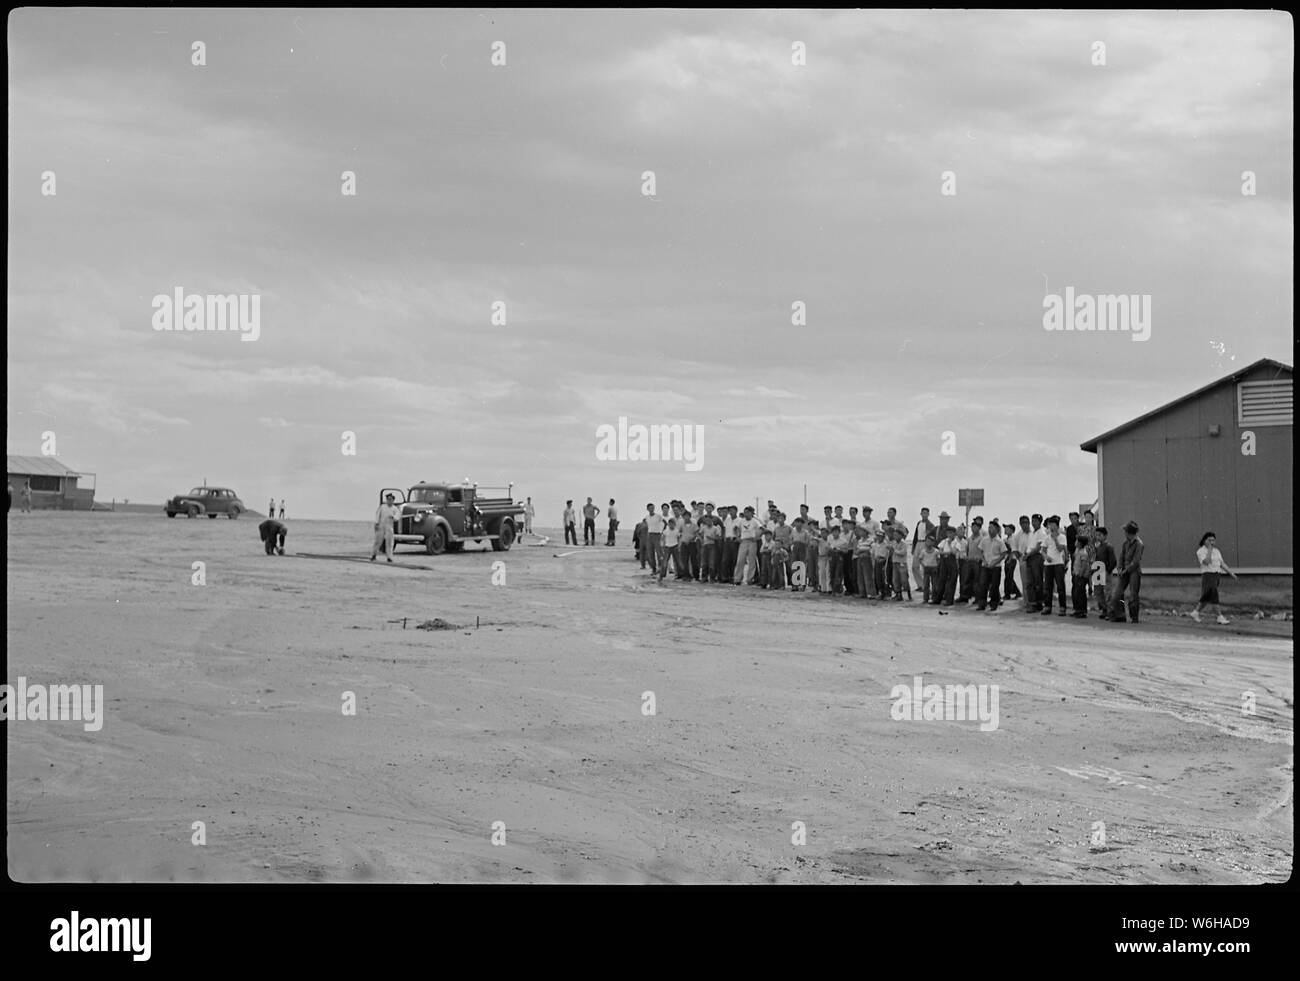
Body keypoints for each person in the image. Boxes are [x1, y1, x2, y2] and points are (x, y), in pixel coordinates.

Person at [1190, 532, 1236, 624]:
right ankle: (1219, 616)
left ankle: (1196, 612)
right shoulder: (1200, 551)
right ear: (1204, 540)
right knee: (1214, 595)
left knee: (1207, 596)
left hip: (1216, 575)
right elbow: (1207, 562)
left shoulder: (1217, 551)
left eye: (1213, 540)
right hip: (1208, 575)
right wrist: (1210, 549)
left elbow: (1222, 564)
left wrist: (1231, 573)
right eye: (1209, 540)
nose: (1212, 542)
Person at [1110, 521, 1145, 623]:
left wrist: (1126, 570)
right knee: (1118, 593)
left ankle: (1134, 617)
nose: (1124, 533)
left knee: (1133, 595)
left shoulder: (1139, 544)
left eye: (1125, 531)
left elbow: (1136, 561)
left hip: (1134, 571)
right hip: (1124, 571)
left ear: (1129, 532)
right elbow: (1121, 556)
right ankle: (1120, 615)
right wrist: (1119, 568)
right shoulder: (1125, 543)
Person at [974, 520, 1006, 611]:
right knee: (983, 585)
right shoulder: (984, 540)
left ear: (996, 529)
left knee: (994, 586)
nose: (989, 530)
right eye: (989, 528)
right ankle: (982, 604)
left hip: (996, 567)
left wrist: (995, 562)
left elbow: (1003, 554)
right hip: (985, 566)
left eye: (991, 528)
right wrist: (984, 560)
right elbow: (980, 551)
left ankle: (993, 604)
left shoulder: (1000, 541)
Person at [1040, 516, 1068, 616]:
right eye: (1049, 525)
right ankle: (1047, 606)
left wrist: (1055, 539)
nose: (1051, 527)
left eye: (1053, 525)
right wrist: (1046, 556)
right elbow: (1042, 550)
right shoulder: (1046, 538)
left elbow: (1061, 549)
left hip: (1058, 564)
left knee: (1060, 586)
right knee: (1048, 586)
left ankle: (1062, 607)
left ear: (1057, 526)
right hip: (1048, 564)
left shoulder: (1062, 537)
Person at [1092, 526, 1118, 618]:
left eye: (1100, 535)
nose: (1098, 537)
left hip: (1105, 571)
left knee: (1107, 592)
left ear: (1105, 536)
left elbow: (1113, 561)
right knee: (1098, 592)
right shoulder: (1098, 547)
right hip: (1097, 571)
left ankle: (1110, 611)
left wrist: (1108, 570)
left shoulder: (1109, 547)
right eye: (1097, 535)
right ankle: (1103, 609)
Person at [733, 506, 762, 585]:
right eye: (745, 512)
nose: (746, 514)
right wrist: (737, 537)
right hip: (743, 541)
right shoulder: (741, 521)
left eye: (748, 512)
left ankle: (750, 579)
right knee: (740, 560)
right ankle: (737, 579)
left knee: (752, 561)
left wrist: (757, 537)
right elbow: (735, 528)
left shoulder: (755, 521)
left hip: (752, 542)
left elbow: (761, 528)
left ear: (751, 513)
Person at [1070, 530, 1094, 617]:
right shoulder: (1078, 551)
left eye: (1077, 541)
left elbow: (1084, 565)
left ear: (1080, 544)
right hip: (1076, 574)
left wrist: (1080, 573)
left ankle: (1082, 611)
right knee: (1076, 593)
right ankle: (1077, 609)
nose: (1075, 542)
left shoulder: (1083, 553)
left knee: (1080, 593)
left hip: (1081, 576)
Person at [371, 493, 401, 562]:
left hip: (389, 527)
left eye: (390, 499)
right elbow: (377, 515)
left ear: (393, 500)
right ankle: (373, 555)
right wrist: (376, 524)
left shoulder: (395, 509)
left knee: (389, 543)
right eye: (388, 499)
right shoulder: (382, 507)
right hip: (381, 526)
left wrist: (393, 517)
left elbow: (397, 516)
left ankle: (389, 557)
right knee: (378, 541)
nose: (389, 501)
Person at [918, 535, 940, 604]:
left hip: (934, 568)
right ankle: (925, 599)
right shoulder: (923, 551)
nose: (928, 543)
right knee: (926, 584)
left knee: (935, 584)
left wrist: (937, 566)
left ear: (933, 543)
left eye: (930, 541)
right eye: (927, 541)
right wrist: (923, 565)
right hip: (926, 568)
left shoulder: (936, 551)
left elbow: (938, 559)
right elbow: (920, 559)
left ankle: (934, 598)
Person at [642, 503, 663, 572]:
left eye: (653, 508)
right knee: (650, 553)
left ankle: (660, 567)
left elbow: (665, 523)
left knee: (659, 553)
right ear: (647, 509)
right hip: (649, 535)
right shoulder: (647, 517)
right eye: (650, 508)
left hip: (657, 535)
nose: (651, 509)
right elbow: (645, 525)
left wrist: (661, 531)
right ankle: (653, 568)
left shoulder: (658, 516)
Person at [659, 517, 679, 583]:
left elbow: (679, 538)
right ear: (668, 524)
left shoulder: (677, 531)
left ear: (674, 524)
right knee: (664, 562)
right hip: (667, 547)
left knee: (677, 561)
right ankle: (662, 575)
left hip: (675, 547)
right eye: (670, 524)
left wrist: (679, 546)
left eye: (672, 524)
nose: (671, 525)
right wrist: (662, 546)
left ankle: (678, 575)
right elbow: (662, 538)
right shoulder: (666, 531)